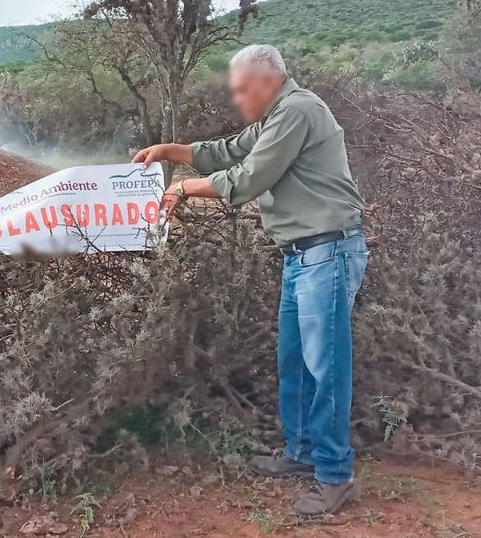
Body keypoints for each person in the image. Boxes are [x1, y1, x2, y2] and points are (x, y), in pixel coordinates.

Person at [132, 44, 368, 517]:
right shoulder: (274, 117)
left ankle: (335, 475)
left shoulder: (298, 110)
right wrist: (170, 152)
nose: (238, 100)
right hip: (302, 256)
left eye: (242, 90)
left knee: (326, 367)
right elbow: (229, 150)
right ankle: (301, 453)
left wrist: (183, 187)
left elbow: (249, 175)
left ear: (268, 81)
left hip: (327, 252)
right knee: (295, 362)